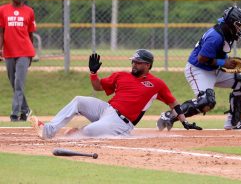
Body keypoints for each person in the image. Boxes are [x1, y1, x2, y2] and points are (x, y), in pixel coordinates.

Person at [30, 49, 202, 139]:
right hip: (106, 110)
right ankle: (49, 130)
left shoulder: (156, 84)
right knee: (78, 101)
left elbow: (173, 103)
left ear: (148, 65)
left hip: (121, 122)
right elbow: (98, 87)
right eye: (133, 62)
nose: (134, 64)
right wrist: (93, 73)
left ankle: (80, 132)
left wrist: (184, 122)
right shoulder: (121, 75)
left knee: (89, 132)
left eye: (138, 62)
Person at [157, 6, 241, 131]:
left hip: (213, 68)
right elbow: (202, 58)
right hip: (198, 70)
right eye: (239, 25)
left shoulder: (227, 31)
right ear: (231, 22)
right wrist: (223, 62)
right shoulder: (215, 36)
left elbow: (218, 53)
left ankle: (234, 122)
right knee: (206, 101)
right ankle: (169, 116)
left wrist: (226, 61)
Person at [0, 0, 36, 121]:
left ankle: (15, 114)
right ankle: (26, 110)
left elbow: (31, 34)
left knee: (19, 82)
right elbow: (1, 33)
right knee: (14, 83)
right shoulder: (3, 10)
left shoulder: (29, 11)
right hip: (9, 52)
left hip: (25, 51)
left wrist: (31, 54)